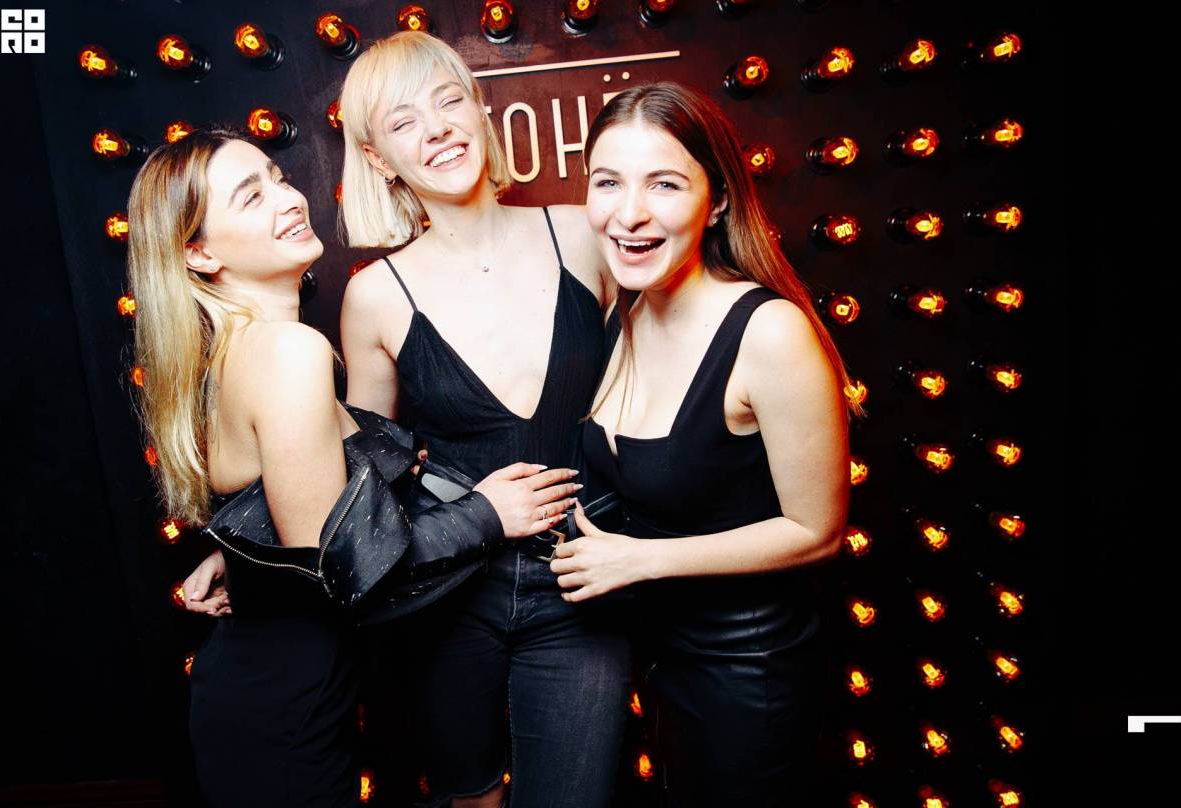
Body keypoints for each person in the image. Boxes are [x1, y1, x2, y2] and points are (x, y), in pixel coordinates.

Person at [128, 126, 580, 807]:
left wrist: (244, 556)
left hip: (280, 696)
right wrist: (488, 515)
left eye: (277, 178)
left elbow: (287, 507)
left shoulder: (236, 350)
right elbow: (343, 569)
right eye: (251, 197)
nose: (288, 199)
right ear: (200, 253)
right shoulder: (287, 351)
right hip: (286, 713)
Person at [338, 31, 630, 808]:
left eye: (448, 101)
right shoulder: (376, 295)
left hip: (583, 581)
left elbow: (662, 372)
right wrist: (246, 553)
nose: (436, 129)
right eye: (403, 122)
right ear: (376, 159)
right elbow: (363, 475)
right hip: (448, 598)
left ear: (478, 108)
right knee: (470, 797)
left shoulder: (582, 233)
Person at [549, 82, 860, 806]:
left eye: (664, 184)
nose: (629, 213)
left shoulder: (768, 332)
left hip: (747, 675)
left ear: (716, 200)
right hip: (656, 664)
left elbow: (818, 532)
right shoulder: (625, 313)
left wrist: (639, 560)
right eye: (608, 182)